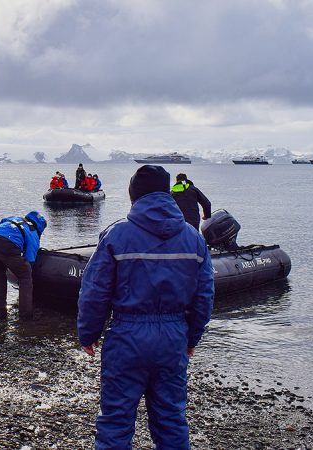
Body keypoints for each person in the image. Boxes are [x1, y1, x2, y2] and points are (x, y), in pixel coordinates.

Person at [77, 165, 214, 450]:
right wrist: (192, 339)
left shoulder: (116, 235)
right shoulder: (193, 238)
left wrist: (88, 334)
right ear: (167, 194)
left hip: (127, 336)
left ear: (133, 195)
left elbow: (95, 290)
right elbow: (204, 295)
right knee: (171, 419)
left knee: (115, 419)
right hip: (173, 336)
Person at [0, 211, 47, 321]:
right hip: (8, 246)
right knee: (25, 277)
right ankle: (25, 317)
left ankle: (0, 315)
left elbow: (0, 227)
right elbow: (30, 259)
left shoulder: (13, 218)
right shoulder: (33, 232)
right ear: (40, 227)